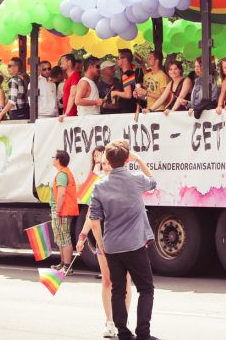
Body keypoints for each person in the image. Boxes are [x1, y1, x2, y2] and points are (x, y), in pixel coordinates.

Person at [85, 140, 158, 340]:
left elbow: (95, 220)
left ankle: (124, 333)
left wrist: (101, 244)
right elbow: (153, 182)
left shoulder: (99, 186)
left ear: (107, 160)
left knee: (118, 290)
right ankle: (143, 333)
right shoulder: (135, 178)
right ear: (127, 159)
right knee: (146, 289)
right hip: (135, 244)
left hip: (112, 247)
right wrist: (140, 160)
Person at [77, 148, 132, 338]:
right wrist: (83, 235)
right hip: (105, 241)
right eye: (104, 164)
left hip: (127, 242)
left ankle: (122, 323)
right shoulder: (98, 186)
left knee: (125, 282)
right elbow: (92, 216)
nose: (107, 167)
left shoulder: (128, 183)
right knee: (107, 281)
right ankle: (109, 322)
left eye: (109, 164)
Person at [50, 150, 79, 275]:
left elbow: (61, 194)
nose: (52, 159)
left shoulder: (62, 174)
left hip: (63, 211)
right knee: (61, 238)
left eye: (53, 157)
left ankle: (67, 266)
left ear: (58, 160)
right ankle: (63, 264)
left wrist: (57, 210)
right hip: (63, 211)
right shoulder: (63, 173)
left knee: (64, 237)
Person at [0, 57, 29, 123]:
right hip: (26, 111)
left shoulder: (13, 80)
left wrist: (0, 114)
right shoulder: (24, 78)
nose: (8, 68)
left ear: (16, 67)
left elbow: (12, 101)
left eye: (9, 66)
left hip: (17, 113)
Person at [112, 49, 138, 114]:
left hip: (127, 111)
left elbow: (128, 94)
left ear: (125, 59)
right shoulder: (134, 73)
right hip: (133, 109)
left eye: (118, 58)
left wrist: (115, 92)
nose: (117, 61)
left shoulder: (125, 76)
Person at [60, 53, 81, 118]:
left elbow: (73, 94)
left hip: (72, 114)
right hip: (68, 113)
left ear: (69, 62)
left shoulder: (75, 75)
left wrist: (66, 113)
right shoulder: (69, 77)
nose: (61, 65)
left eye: (62, 63)